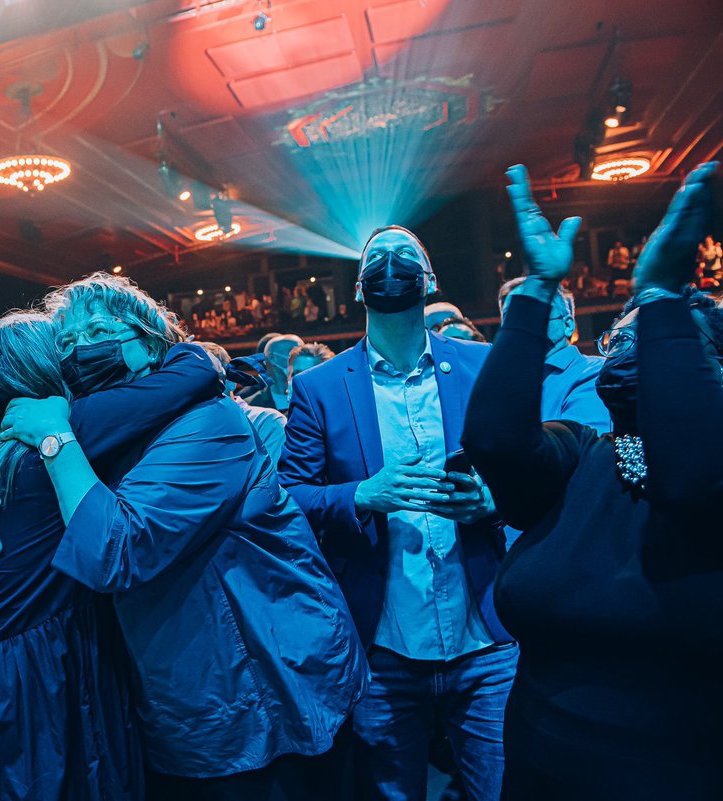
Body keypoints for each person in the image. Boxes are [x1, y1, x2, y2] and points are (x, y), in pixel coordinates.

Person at [0, 273, 366, 800]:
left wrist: (53, 437)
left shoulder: (209, 424)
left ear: (150, 340)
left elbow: (118, 551)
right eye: (66, 343)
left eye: (98, 331)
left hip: (266, 685)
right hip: (188, 691)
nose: (82, 350)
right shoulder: (110, 432)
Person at [464, 161, 723, 799]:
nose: (620, 335)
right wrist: (536, 288)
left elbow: (690, 479)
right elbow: (494, 440)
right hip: (541, 767)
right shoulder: (582, 455)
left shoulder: (705, 474)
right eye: (621, 328)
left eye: (650, 329)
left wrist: (663, 293)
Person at [0, 313, 228, 799]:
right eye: (65, 351)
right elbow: (196, 370)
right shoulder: (65, 435)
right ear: (47, 376)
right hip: (38, 679)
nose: (78, 359)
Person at [279, 225, 516, 801]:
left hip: (484, 634)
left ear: (428, 280)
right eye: (377, 258)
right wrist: (361, 494)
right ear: (361, 289)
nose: (391, 263)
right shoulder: (320, 387)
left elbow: (527, 468)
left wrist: (491, 501)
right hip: (383, 645)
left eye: (405, 256)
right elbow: (287, 496)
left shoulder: (483, 364)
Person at [498, 277, 610, 434]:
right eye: (512, 316)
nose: (521, 322)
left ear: (568, 325)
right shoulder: (504, 384)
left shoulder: (594, 372)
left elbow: (578, 448)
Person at [198, 341, 287, 464]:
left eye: (210, 379)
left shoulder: (266, 422)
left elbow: (274, 480)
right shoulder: (185, 429)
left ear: (232, 380)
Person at [247, 333, 304, 412]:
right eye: (294, 352)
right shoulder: (250, 406)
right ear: (273, 359)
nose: (303, 357)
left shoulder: (317, 396)